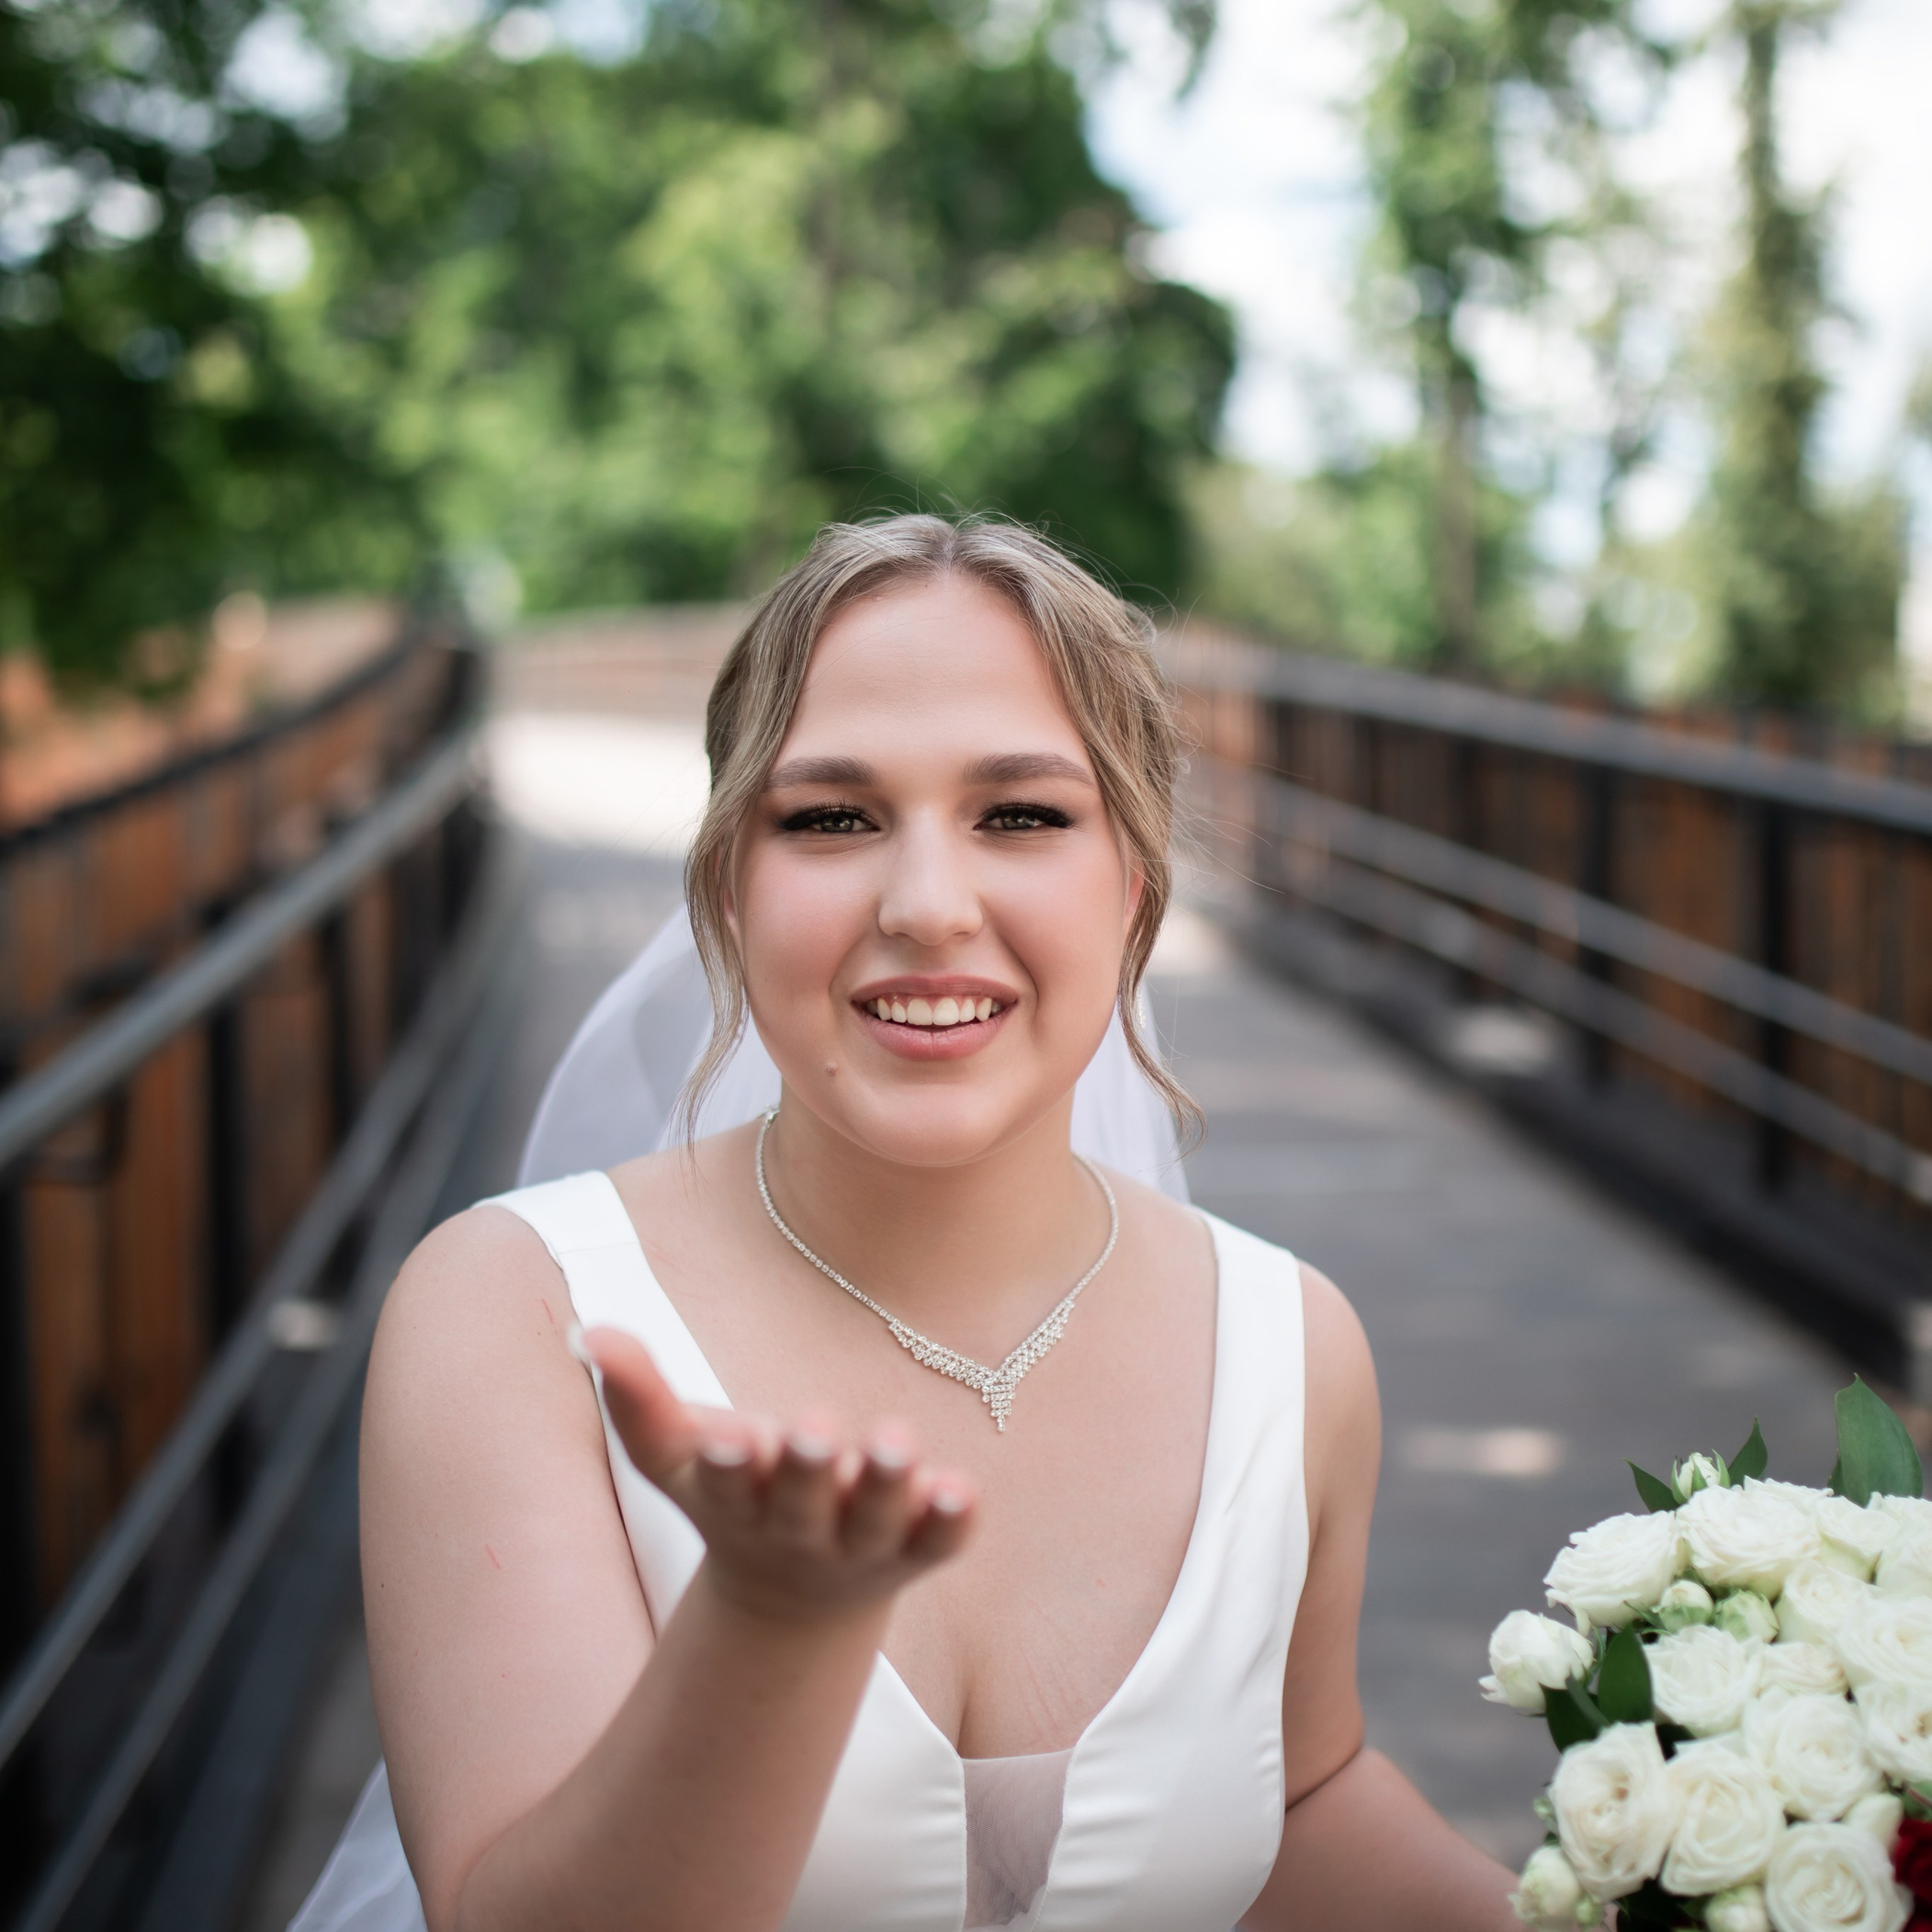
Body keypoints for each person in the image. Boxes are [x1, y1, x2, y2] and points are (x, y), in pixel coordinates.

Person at [316, 515, 1520, 1931]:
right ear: (725, 887)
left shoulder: (1293, 1346)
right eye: (831, 818)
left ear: (1133, 885)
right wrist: (768, 1625)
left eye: (1021, 816)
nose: (929, 906)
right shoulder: (512, 1314)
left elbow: (1301, 1799)